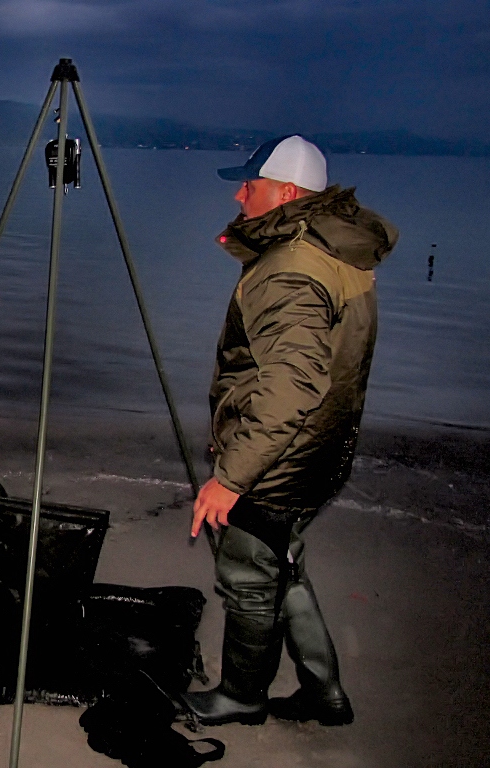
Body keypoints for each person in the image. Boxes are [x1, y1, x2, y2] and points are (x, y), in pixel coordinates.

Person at [183, 136, 398, 726]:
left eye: (248, 184)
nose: (238, 193)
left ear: (284, 193)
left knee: (249, 577)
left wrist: (230, 477)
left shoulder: (290, 269)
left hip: (280, 459)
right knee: (284, 562)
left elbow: (293, 384)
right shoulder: (336, 250)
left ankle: (241, 696)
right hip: (324, 450)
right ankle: (324, 691)